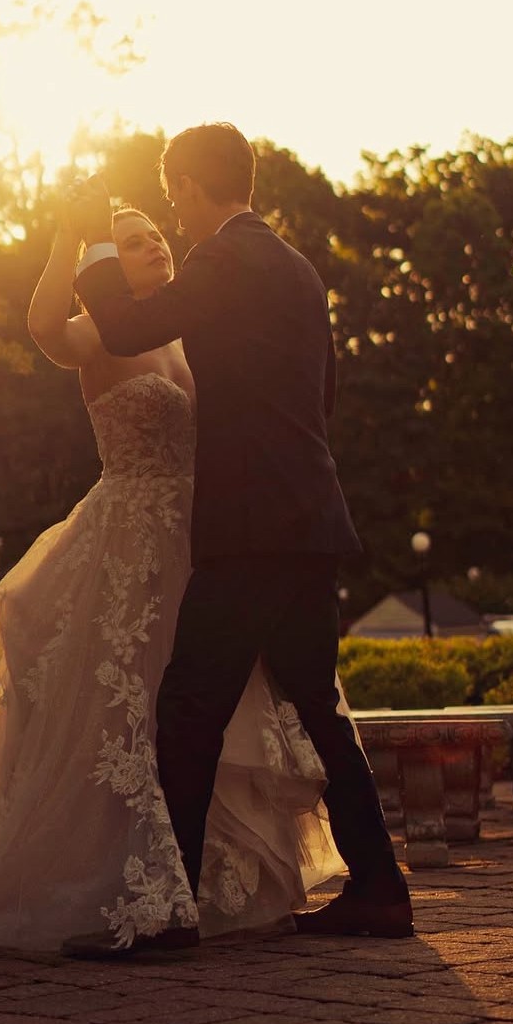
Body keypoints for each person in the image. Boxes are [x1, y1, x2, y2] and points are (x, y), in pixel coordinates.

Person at [0, 204, 344, 954]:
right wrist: (64, 242)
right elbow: (45, 329)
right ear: (105, 264)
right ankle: (124, 881)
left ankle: (207, 878)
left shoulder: (193, 331)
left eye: (156, 233)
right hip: (126, 540)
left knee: (213, 707)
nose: (152, 243)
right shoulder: (102, 334)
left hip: (207, 539)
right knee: (124, 707)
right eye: (129, 241)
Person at [67, 122, 412, 957]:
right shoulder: (296, 266)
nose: (176, 219)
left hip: (251, 527)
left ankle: (170, 913)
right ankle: (379, 889)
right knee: (317, 704)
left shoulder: (220, 261)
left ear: (187, 185)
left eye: (174, 197)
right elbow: (322, 392)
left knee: (188, 708)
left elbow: (120, 327)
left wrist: (89, 252)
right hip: (309, 517)